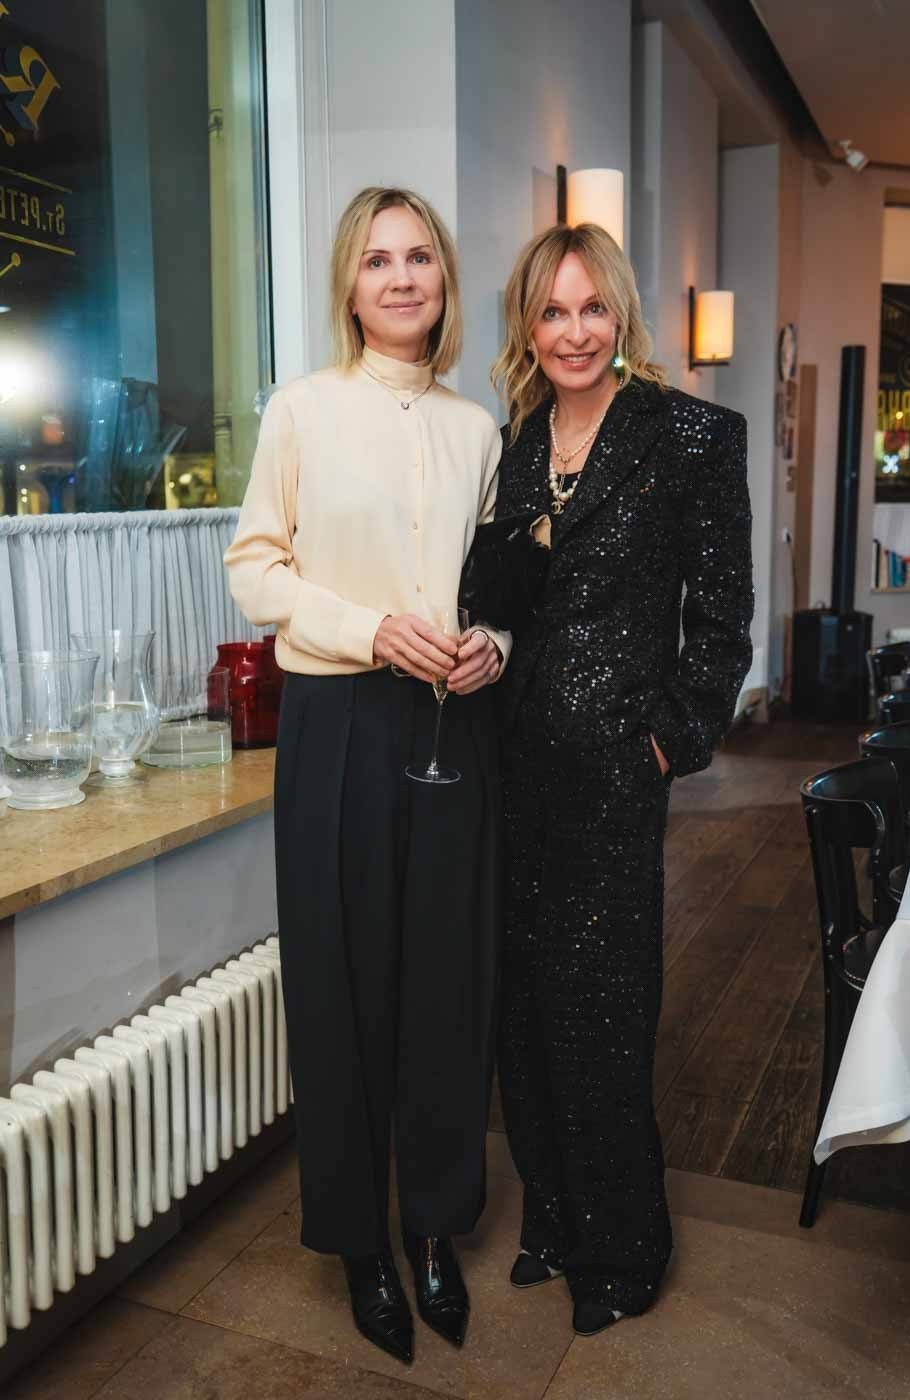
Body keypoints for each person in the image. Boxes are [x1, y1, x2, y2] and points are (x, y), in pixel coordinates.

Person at [224, 186, 508, 1366]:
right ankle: (359, 1244)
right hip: (337, 720)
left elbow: (498, 584)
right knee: (340, 982)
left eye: (419, 257)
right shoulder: (302, 410)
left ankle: (435, 1226)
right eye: (378, 259)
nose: (400, 278)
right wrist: (368, 627)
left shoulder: (478, 429)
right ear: (349, 281)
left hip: (453, 721)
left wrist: (495, 644)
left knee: (447, 977)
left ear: (443, 279)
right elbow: (255, 567)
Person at [491, 223, 753, 1336]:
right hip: (510, 768)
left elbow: (723, 615)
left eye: (592, 307)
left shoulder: (689, 434)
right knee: (523, 1008)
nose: (575, 332)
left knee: (601, 1010)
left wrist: (668, 738)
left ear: (622, 313)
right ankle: (552, 1218)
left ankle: (624, 1247)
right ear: (528, 325)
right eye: (553, 311)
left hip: (611, 770)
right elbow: (504, 594)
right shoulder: (517, 441)